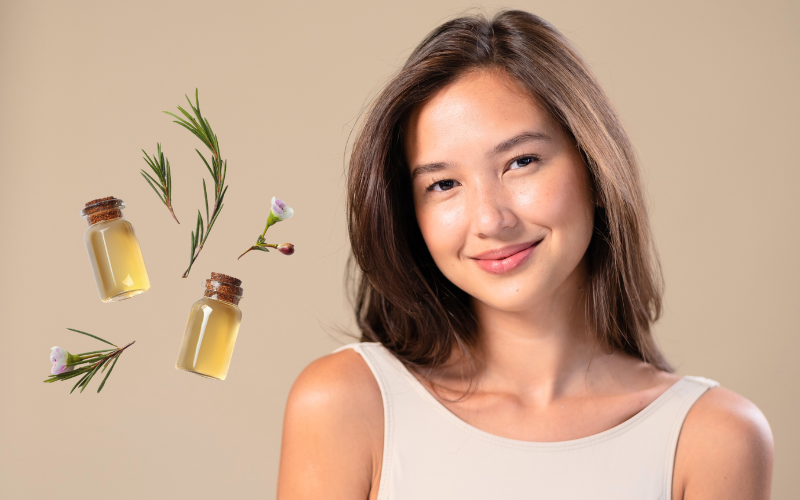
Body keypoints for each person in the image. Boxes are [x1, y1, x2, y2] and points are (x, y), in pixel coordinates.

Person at [277, 10, 773, 499]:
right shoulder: (346, 405)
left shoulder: (713, 439)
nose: (491, 220)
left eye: (521, 162)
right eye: (444, 184)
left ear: (596, 168)